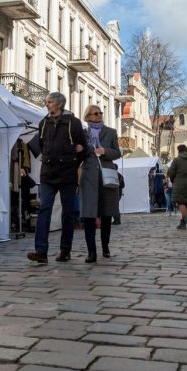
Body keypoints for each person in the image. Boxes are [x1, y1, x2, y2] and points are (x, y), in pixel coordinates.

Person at [26, 92, 86, 264]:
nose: (47, 104)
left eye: (50, 102)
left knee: (67, 213)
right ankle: (41, 251)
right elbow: (42, 145)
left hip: (67, 173)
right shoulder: (43, 123)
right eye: (47, 101)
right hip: (48, 173)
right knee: (44, 208)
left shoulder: (73, 123)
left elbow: (83, 147)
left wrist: (75, 161)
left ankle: (65, 251)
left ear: (59, 104)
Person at [78, 104, 122, 262]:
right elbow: (80, 155)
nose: (99, 115)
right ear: (88, 116)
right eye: (95, 114)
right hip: (89, 176)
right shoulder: (83, 133)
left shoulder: (110, 132)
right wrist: (78, 150)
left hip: (107, 176)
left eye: (100, 113)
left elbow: (117, 152)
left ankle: (105, 246)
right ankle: (91, 252)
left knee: (106, 213)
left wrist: (105, 151)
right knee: (89, 215)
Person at [167, 144, 187, 230]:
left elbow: (171, 173)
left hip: (179, 183)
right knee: (186, 203)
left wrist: (174, 180)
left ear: (179, 151)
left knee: (180, 202)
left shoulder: (176, 160)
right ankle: (182, 223)